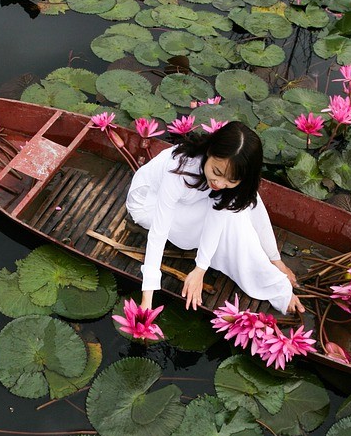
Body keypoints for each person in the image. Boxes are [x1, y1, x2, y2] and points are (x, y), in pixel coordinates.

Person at [125, 121, 304, 314]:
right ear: (210, 151)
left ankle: (274, 261)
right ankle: (273, 287)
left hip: (189, 203)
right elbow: (159, 232)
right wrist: (147, 298)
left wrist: (200, 269)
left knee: (246, 198)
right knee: (234, 219)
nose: (219, 183)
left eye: (231, 180)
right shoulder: (179, 170)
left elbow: (218, 217)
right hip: (148, 204)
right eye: (216, 172)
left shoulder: (228, 182)